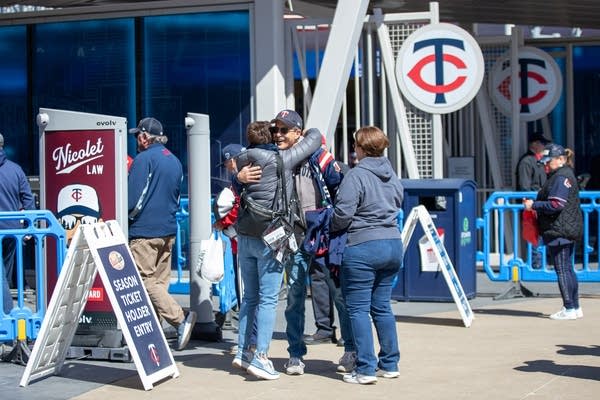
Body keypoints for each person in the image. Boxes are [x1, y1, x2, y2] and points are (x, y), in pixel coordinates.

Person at [232, 119, 322, 380]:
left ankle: (242, 351)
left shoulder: (240, 159)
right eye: (276, 131)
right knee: (269, 299)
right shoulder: (280, 159)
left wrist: (237, 177)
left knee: (249, 297)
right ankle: (261, 357)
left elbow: (232, 187)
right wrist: (305, 132)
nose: (280, 135)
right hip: (269, 238)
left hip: (246, 234)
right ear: (269, 137)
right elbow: (315, 138)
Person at [331, 126, 404, 384]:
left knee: (358, 309)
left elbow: (343, 214)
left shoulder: (356, 175)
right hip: (393, 243)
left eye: (355, 145)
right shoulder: (392, 174)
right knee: (382, 306)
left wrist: (329, 226)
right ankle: (390, 363)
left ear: (360, 148)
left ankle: (364, 368)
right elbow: (398, 201)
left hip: (362, 246)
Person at [127, 117, 197, 350]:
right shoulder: (174, 160)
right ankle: (154, 335)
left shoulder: (143, 159)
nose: (137, 139)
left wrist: (125, 219)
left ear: (145, 137)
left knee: (145, 282)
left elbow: (133, 199)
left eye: (138, 135)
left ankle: (180, 319)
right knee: (158, 284)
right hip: (168, 230)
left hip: (144, 230)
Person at [523, 144, 583, 320]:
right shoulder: (563, 175)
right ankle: (575, 306)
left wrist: (533, 205)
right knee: (568, 269)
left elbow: (556, 204)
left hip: (559, 229)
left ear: (561, 159)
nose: (546, 165)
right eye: (545, 162)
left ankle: (569, 307)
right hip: (566, 227)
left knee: (562, 269)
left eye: (549, 161)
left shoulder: (560, 177)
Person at [0, 133, 35, 315]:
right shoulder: (16, 170)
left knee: (2, 278)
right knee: (4, 274)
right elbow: (28, 198)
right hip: (12, 231)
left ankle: (4, 315)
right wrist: (29, 226)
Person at [213, 143, 244, 328]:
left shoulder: (240, 179)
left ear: (232, 160)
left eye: (226, 163)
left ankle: (249, 339)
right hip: (244, 239)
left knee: (245, 291)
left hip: (242, 241)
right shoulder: (243, 177)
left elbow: (240, 207)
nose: (226, 167)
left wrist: (222, 222)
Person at [516, 132, 550, 269]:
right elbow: (525, 186)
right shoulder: (526, 161)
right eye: (542, 144)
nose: (544, 147)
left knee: (541, 233)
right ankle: (537, 264)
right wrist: (529, 204)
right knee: (534, 234)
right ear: (535, 144)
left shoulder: (539, 161)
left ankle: (541, 263)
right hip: (532, 204)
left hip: (541, 203)